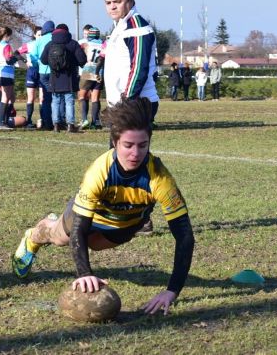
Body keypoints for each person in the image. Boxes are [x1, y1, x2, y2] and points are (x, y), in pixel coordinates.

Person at [11, 97, 195, 315]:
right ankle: (34, 235)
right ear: (115, 142)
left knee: (94, 245)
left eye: (142, 145)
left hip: (122, 227)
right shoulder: (99, 171)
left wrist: (171, 291)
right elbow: (80, 228)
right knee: (62, 237)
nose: (135, 153)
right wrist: (84, 273)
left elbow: (185, 237)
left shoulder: (160, 178)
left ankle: (55, 225)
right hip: (89, 217)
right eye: (128, 145)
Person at [102, 0, 160, 122]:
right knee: (117, 145)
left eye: (117, 1)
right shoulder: (121, 26)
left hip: (135, 103)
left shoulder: (136, 28)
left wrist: (126, 102)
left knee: (128, 145)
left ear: (131, 1)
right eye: (108, 3)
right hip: (122, 104)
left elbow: (138, 69)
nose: (112, 7)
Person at [40, 23, 87, 133]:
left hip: (54, 77)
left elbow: (43, 60)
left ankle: (56, 125)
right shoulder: (73, 43)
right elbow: (82, 60)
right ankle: (70, 125)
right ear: (67, 32)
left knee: (55, 101)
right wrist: (72, 62)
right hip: (69, 78)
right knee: (69, 101)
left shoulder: (50, 44)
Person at [0, 26, 21, 130]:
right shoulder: (6, 45)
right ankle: (2, 122)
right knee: (5, 97)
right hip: (6, 73)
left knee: (11, 97)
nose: (10, 38)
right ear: (7, 35)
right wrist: (16, 57)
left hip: (0, 73)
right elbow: (8, 60)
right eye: (10, 36)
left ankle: (6, 120)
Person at [29, 20, 55, 130]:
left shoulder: (39, 41)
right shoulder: (55, 39)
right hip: (56, 72)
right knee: (57, 97)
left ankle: (47, 122)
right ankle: (59, 121)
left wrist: (37, 64)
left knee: (46, 98)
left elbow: (33, 56)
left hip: (43, 72)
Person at [78, 27, 105, 129]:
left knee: (82, 95)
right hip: (100, 72)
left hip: (89, 70)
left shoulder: (85, 44)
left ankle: (84, 120)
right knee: (95, 97)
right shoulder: (103, 45)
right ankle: (95, 122)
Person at [17, 26, 41, 128]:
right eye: (39, 35)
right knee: (31, 98)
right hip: (32, 72)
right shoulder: (29, 45)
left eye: (42, 35)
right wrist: (25, 61)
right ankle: (29, 120)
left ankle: (43, 119)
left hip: (42, 72)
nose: (40, 37)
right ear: (35, 35)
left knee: (42, 98)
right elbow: (16, 53)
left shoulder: (46, 45)